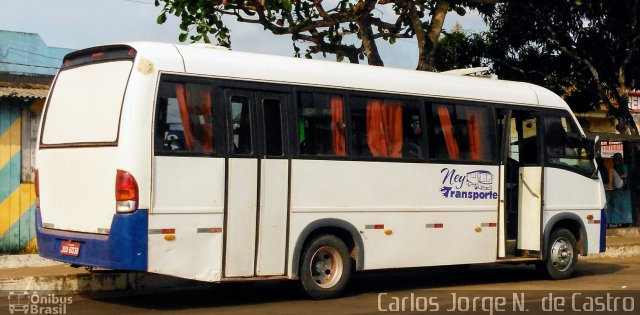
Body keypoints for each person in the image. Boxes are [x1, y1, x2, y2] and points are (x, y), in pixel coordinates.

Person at [608, 153, 633, 227]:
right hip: (617, 184)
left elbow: (625, 175)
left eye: (614, 159)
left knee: (611, 170)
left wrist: (617, 176)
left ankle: (610, 186)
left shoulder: (623, 165)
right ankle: (609, 185)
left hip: (621, 183)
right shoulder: (616, 166)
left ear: (617, 160)